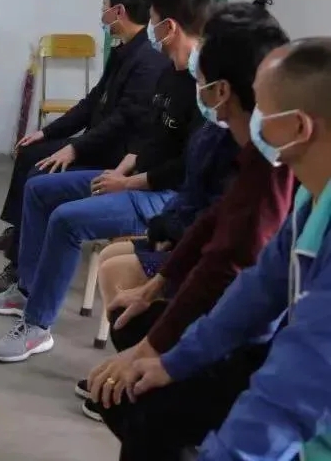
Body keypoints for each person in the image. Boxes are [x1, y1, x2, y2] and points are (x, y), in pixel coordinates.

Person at [89, 38, 331, 461]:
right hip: (285, 372)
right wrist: (170, 362)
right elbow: (256, 291)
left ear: (298, 127)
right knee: (139, 394)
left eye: (263, 111)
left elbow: (293, 391)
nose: (252, 124)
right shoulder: (311, 202)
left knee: (156, 415)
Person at [80, 3, 293, 423]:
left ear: (222, 91)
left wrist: (156, 352)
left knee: (137, 399)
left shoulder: (274, 156)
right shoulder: (252, 144)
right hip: (226, 291)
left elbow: (231, 262)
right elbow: (216, 219)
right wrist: (156, 286)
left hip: (265, 344)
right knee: (129, 312)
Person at [0, 0, 208, 363]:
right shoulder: (169, 72)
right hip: (133, 177)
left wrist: (127, 182)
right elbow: (149, 136)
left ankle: (37, 327)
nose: (149, 28)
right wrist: (122, 170)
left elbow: (186, 168)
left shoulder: (203, 88)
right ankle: (26, 289)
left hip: (162, 196)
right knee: (39, 189)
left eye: (153, 21)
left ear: (169, 26)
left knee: (67, 220)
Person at [0, 0, 168, 293]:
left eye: (104, 7)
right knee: (30, 150)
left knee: (41, 171)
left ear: (119, 11)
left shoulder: (148, 61)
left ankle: (20, 268)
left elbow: (122, 121)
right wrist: (46, 132)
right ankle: (18, 232)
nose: (102, 14)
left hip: (115, 155)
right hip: (99, 142)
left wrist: (75, 148)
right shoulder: (124, 50)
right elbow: (92, 102)